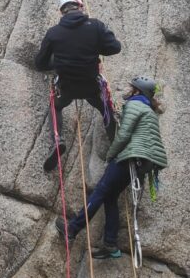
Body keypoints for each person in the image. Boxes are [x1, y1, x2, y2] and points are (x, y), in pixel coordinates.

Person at [54, 75, 167, 259]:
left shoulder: (135, 105)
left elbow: (123, 136)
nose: (128, 90)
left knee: (100, 191)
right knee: (110, 196)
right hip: (141, 163)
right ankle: (110, 243)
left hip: (128, 158)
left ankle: (72, 228)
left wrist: (110, 155)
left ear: (137, 91)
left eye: (131, 88)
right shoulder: (147, 109)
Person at [34, 0, 121, 172]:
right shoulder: (96, 26)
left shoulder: (53, 33)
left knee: (55, 106)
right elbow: (114, 48)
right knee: (106, 109)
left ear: (62, 12)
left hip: (67, 86)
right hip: (91, 86)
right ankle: (117, 145)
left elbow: (40, 63)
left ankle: (57, 140)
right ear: (80, 6)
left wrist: (57, 62)